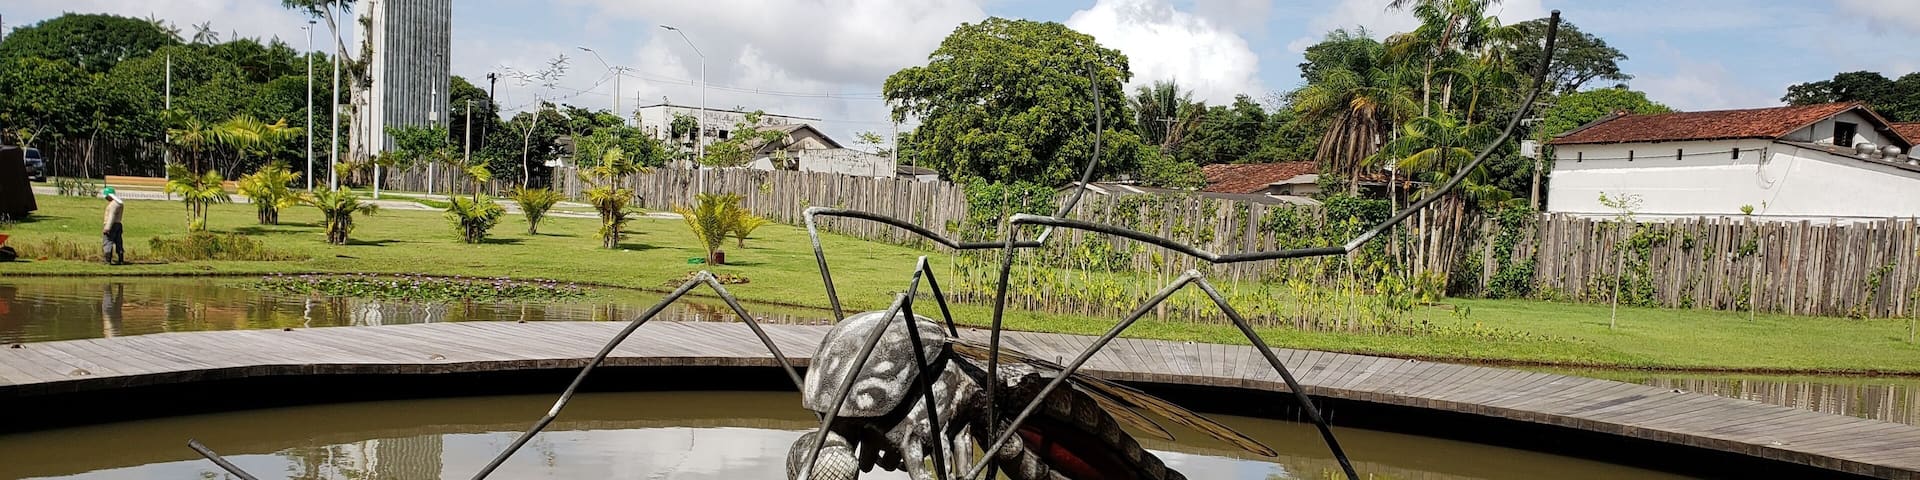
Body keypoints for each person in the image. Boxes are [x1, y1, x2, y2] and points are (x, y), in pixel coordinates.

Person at [101, 187, 124, 265]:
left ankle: (107, 260)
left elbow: (111, 216)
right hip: (118, 224)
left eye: (106, 196)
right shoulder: (120, 203)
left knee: (108, 242)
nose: (106, 198)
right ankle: (121, 259)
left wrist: (107, 228)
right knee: (119, 242)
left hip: (112, 225)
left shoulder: (113, 204)